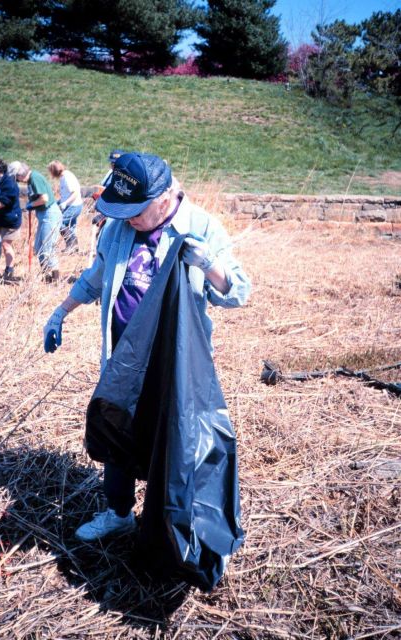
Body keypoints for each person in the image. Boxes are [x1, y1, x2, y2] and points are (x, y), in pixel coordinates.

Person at [43, 152, 251, 542]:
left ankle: (167, 526)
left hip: (172, 363)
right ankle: (118, 513)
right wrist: (61, 311)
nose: (128, 219)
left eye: (135, 211)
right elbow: (96, 277)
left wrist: (209, 265)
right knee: (118, 428)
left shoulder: (202, 227)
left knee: (172, 439)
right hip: (123, 359)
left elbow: (237, 293)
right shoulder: (118, 229)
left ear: (163, 198)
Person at [9, 161, 62, 283]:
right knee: (39, 247)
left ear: (20, 174)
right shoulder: (31, 179)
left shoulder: (34, 178)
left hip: (50, 214)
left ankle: (55, 279)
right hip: (44, 215)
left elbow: (44, 199)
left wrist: (30, 205)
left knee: (47, 248)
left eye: (16, 177)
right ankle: (46, 275)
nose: (17, 180)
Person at [47, 160, 83, 253]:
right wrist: (59, 202)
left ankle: (72, 245)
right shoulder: (63, 177)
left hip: (74, 206)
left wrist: (65, 203)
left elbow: (75, 193)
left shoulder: (67, 177)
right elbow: (67, 194)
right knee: (70, 226)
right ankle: (73, 248)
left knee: (60, 223)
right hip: (71, 205)